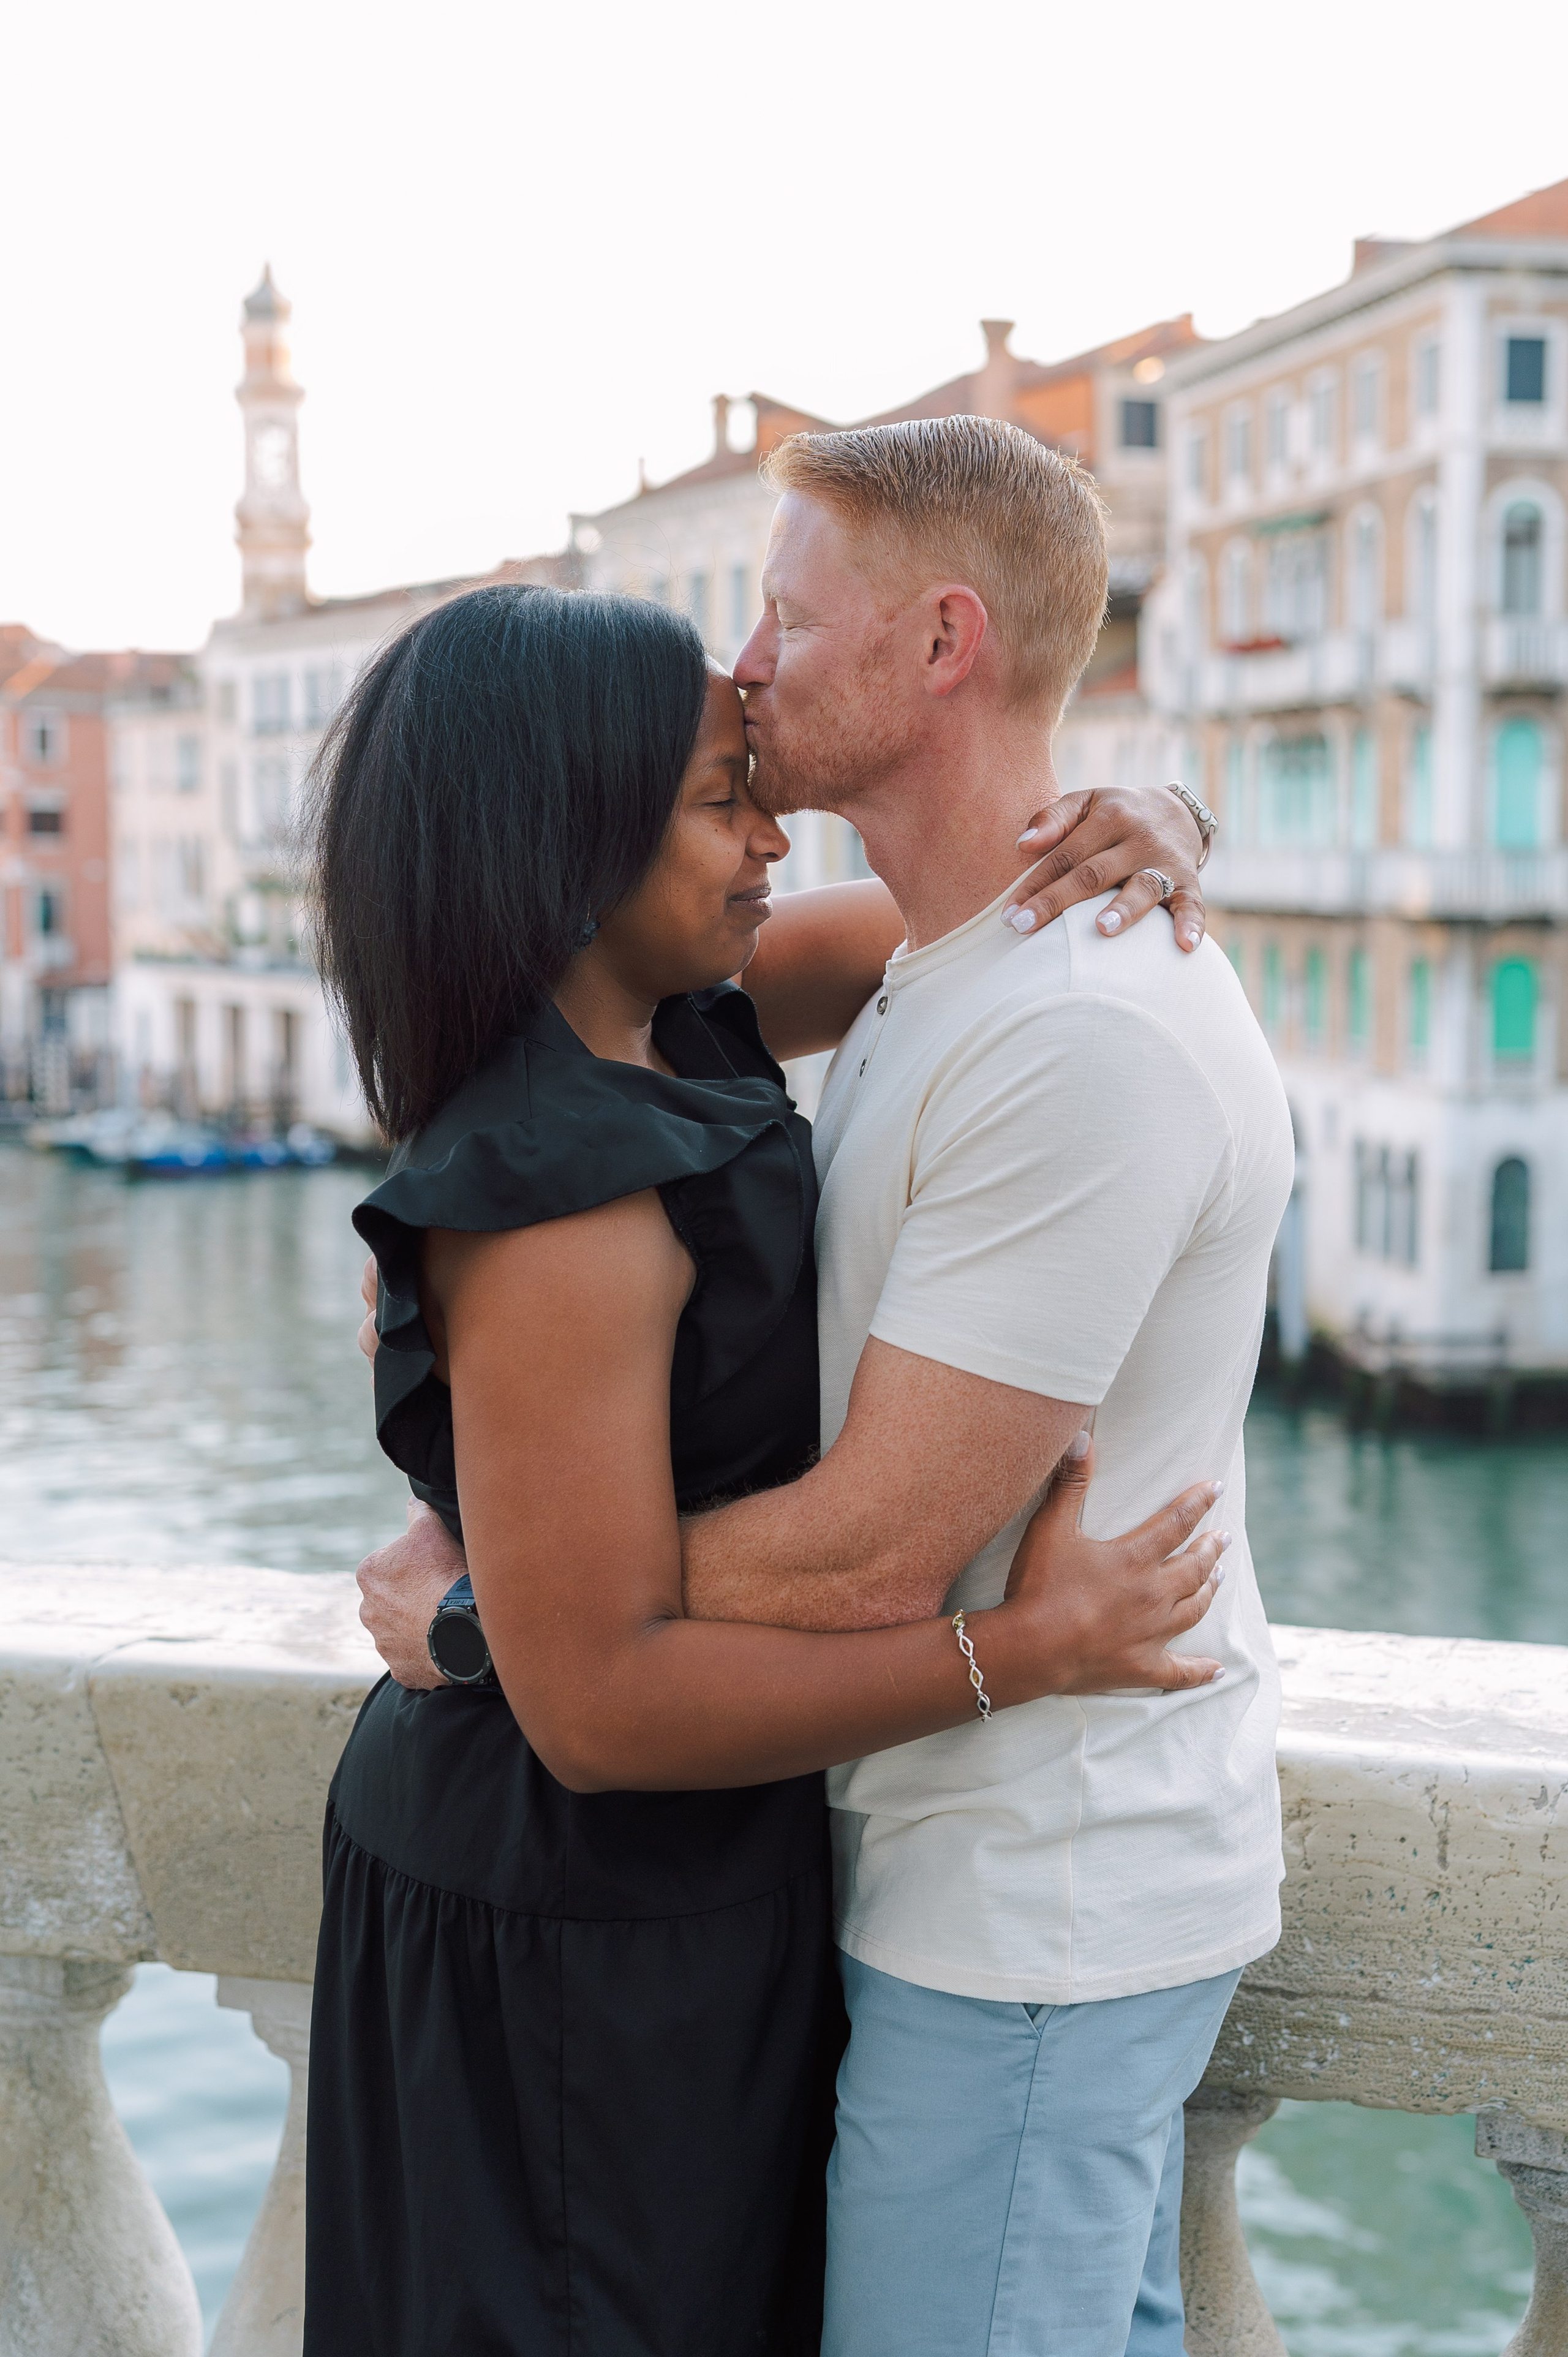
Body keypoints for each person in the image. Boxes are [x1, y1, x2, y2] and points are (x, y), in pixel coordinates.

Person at [358, 418, 1293, 2356]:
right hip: (775, 1880)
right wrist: (538, 1600)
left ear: (944, 641)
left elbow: (872, 1551)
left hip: (1009, 1895)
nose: (756, 671)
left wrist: (500, 1607)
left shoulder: (1041, 1005)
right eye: (715, 782)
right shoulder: (876, 984)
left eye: (784, 614)